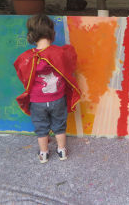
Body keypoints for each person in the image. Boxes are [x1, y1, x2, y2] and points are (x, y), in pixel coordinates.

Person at [14, 14, 81, 163]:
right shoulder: (60, 53)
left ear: (32, 35)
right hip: (58, 99)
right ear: (52, 33)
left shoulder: (27, 57)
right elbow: (71, 62)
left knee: (41, 127)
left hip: (37, 101)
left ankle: (44, 153)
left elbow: (23, 75)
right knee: (59, 126)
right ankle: (62, 151)